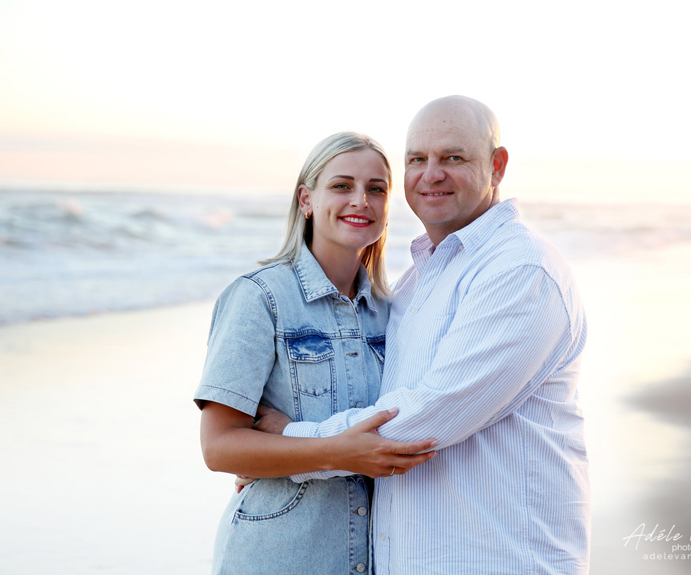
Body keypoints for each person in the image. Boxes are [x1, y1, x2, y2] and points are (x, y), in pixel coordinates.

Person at [256, 96, 591, 574]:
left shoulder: (521, 270)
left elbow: (424, 419)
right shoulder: (414, 283)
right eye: (416, 159)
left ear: (496, 166)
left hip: (497, 559)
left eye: (453, 157)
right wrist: (274, 461)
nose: (431, 174)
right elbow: (376, 404)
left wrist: (288, 448)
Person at [193, 131, 437, 575]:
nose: (360, 200)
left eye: (376, 189)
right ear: (306, 200)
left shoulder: (394, 312)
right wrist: (333, 452)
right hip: (277, 556)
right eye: (342, 186)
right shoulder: (260, 298)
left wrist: (290, 435)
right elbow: (219, 447)